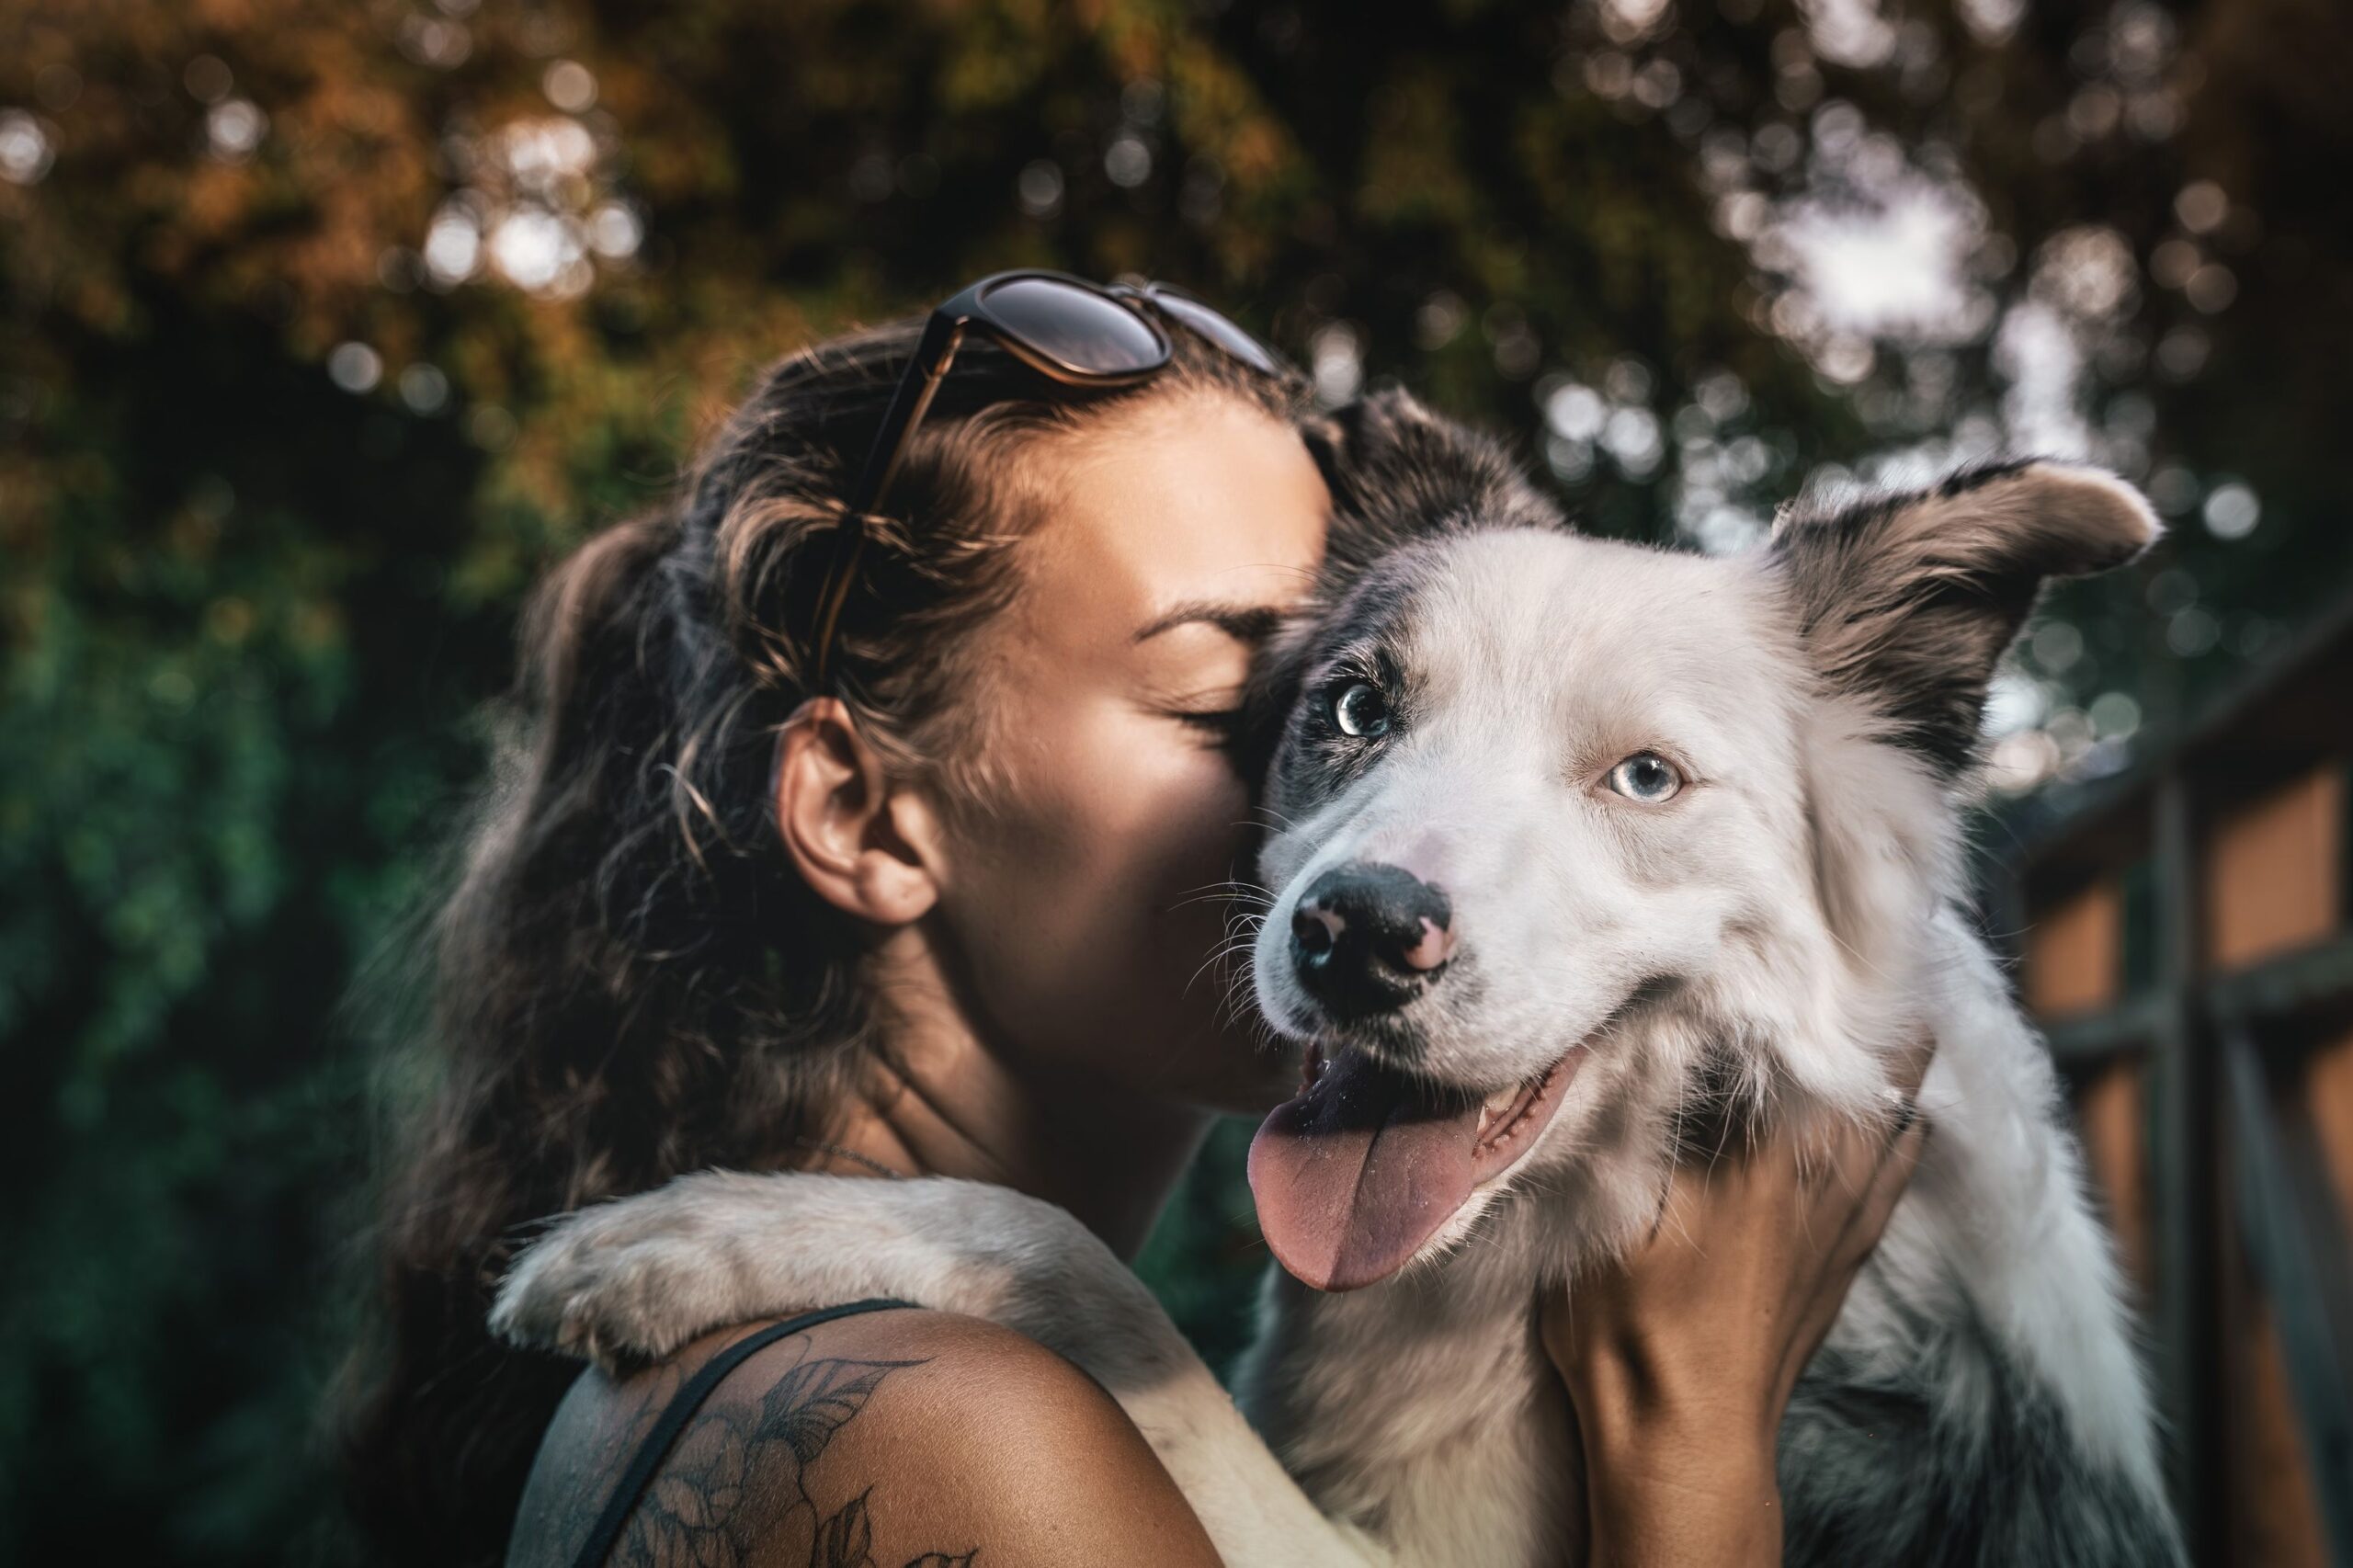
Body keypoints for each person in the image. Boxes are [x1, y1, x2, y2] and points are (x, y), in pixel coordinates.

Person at [339, 274, 1927, 1568]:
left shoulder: (798, 1357)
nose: (1404, 838)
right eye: (1294, 702)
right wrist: (1696, 1461)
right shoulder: (940, 1432)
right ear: (859, 810)